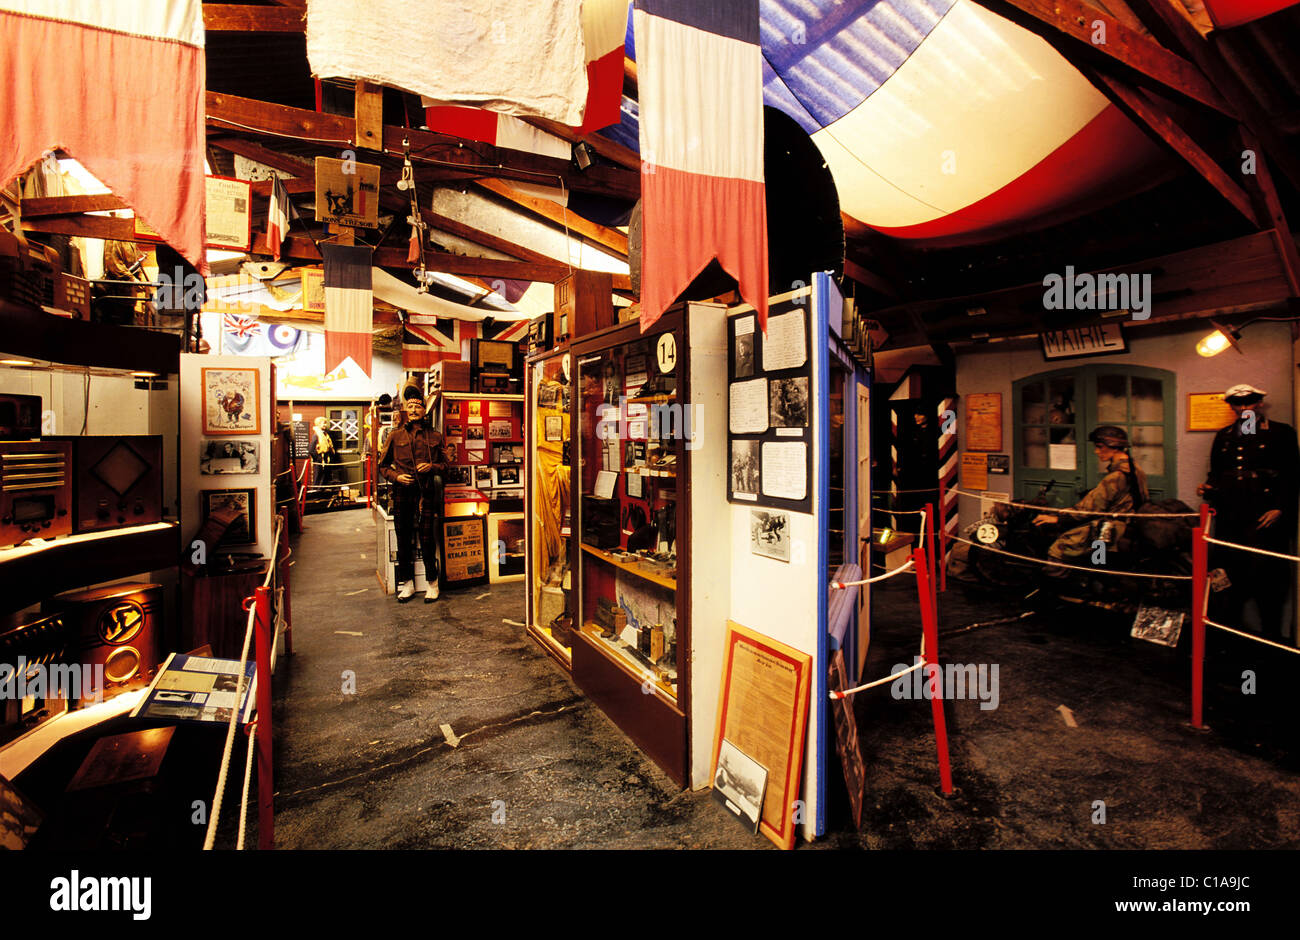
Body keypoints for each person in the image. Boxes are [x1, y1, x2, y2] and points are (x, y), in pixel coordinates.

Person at [1197, 384, 1299, 640]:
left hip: (1265, 519)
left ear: (1260, 404)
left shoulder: (1281, 433)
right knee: (1228, 577)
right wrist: (1209, 488)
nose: (1243, 409)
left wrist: (1281, 507)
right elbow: (1217, 474)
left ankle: (1271, 637)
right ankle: (1227, 634)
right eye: (1237, 405)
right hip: (1231, 517)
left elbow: (1293, 475)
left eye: (1249, 404)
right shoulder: (1224, 436)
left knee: (1269, 578)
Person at [1031, 425, 1148, 574]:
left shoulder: (1115, 476)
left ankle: (1055, 590)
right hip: (1128, 526)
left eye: (1100, 447)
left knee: (1059, 548)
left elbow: (1088, 509)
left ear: (1113, 447)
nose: (1096, 451)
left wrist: (1057, 518)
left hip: (1113, 528)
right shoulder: (1135, 469)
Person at [378, 381, 448, 602]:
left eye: (418, 406)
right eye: (411, 406)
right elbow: (382, 466)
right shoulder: (395, 436)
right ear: (406, 410)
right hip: (402, 491)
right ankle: (407, 583)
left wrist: (432, 467)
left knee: (427, 537)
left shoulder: (435, 436)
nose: (414, 410)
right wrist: (396, 476)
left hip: (426, 490)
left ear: (424, 409)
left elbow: (446, 466)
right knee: (403, 536)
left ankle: (432, 583)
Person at [312, 416, 338, 486]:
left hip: (326, 458)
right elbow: (311, 449)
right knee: (318, 477)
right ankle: (316, 492)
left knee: (324, 477)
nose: (325, 425)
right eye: (324, 423)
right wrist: (318, 459)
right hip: (320, 460)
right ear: (319, 424)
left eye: (325, 423)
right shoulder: (316, 435)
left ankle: (322, 492)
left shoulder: (325, 435)